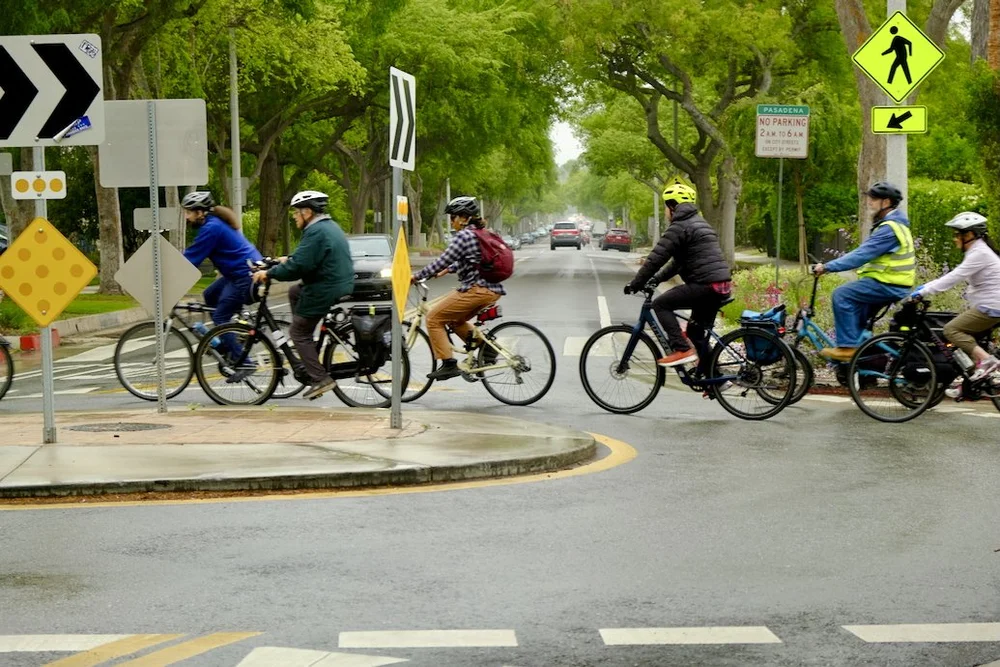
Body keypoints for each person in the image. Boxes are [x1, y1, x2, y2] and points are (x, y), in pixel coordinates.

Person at [252, 191, 354, 400]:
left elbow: (298, 268)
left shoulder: (315, 232)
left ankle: (320, 378)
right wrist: (286, 259)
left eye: (296, 212)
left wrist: (268, 274)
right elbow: (307, 257)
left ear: (307, 212)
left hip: (324, 288)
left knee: (298, 333)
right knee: (294, 292)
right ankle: (309, 346)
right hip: (337, 284)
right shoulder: (328, 227)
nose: (294, 216)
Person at [625, 183, 732, 369]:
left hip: (705, 286)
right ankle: (715, 377)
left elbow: (655, 259)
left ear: (672, 206)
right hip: (719, 286)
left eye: (666, 207)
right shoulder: (700, 223)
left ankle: (681, 349)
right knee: (696, 332)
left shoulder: (680, 226)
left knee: (661, 304)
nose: (665, 212)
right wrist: (656, 279)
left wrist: (636, 283)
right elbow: (678, 263)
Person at [813, 182, 915, 361]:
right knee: (858, 323)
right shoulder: (893, 225)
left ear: (886, 202)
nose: (869, 202)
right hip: (889, 282)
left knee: (842, 295)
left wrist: (828, 267)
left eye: (874, 198)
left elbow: (862, 255)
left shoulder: (890, 229)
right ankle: (864, 364)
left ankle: (847, 348)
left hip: (889, 284)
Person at [410, 196, 505, 382]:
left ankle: (449, 364)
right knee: (454, 320)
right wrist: (449, 270)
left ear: (464, 218)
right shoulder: (482, 233)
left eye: (453, 217)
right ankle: (487, 349)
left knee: (433, 318)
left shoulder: (464, 236)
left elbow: (442, 260)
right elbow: (472, 259)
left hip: (476, 290)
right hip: (492, 290)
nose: (451, 222)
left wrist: (416, 276)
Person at [911, 212, 1000, 398]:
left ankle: (987, 361)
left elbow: (955, 277)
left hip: (992, 306)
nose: (955, 239)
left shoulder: (979, 253)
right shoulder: (977, 251)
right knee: (967, 342)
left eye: (957, 234)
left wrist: (924, 291)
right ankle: (970, 382)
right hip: (989, 304)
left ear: (970, 235)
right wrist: (926, 287)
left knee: (951, 330)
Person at [181, 191, 262, 375]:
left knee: (220, 318)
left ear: (200, 212)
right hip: (240, 273)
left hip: (245, 276)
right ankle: (227, 341)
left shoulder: (211, 228)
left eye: (189, 212)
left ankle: (244, 362)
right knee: (210, 295)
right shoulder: (212, 224)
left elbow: (190, 259)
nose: (186, 217)